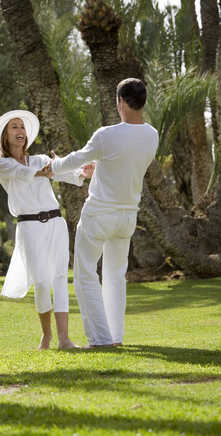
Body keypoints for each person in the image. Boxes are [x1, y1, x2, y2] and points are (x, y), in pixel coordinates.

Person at [46, 78, 159, 348]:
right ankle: (115, 339)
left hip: (99, 215)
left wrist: (53, 165)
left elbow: (76, 159)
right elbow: (124, 166)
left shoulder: (106, 135)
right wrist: (98, 169)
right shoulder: (152, 135)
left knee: (85, 274)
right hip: (127, 218)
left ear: (121, 102)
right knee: (115, 277)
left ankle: (100, 340)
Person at [0, 110, 92, 350]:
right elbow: (19, 173)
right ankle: (46, 336)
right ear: (5, 135)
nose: (20, 131)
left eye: (22, 127)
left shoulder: (38, 159)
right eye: (14, 127)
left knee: (59, 279)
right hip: (29, 227)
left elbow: (60, 171)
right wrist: (41, 172)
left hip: (56, 223)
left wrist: (81, 173)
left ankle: (64, 339)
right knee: (42, 282)